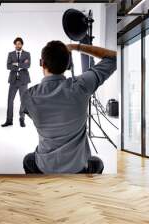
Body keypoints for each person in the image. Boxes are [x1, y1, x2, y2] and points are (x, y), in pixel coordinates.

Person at [21, 41, 117, 174]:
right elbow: (113, 58)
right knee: (97, 163)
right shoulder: (81, 85)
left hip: (44, 167)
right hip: (78, 169)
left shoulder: (28, 96)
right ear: (68, 65)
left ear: (42, 63)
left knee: (28, 160)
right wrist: (76, 47)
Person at [1, 37, 31, 128]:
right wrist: (21, 65)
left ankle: (22, 119)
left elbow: (28, 65)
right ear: (15, 45)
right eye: (16, 44)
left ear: (22, 44)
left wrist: (16, 64)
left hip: (23, 81)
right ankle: (9, 120)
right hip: (13, 81)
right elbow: (8, 66)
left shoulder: (27, 54)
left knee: (23, 101)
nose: (18, 45)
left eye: (19, 44)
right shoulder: (10, 54)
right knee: (10, 101)